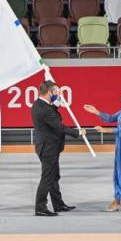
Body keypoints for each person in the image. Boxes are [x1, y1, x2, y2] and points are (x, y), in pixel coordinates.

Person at [32, 80, 85, 217]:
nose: (57, 94)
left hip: (50, 146)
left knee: (54, 177)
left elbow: (53, 112)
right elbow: (58, 126)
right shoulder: (43, 109)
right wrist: (77, 132)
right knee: (47, 178)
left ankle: (58, 204)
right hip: (48, 147)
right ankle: (40, 207)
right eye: (55, 92)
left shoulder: (41, 105)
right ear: (49, 92)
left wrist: (57, 102)